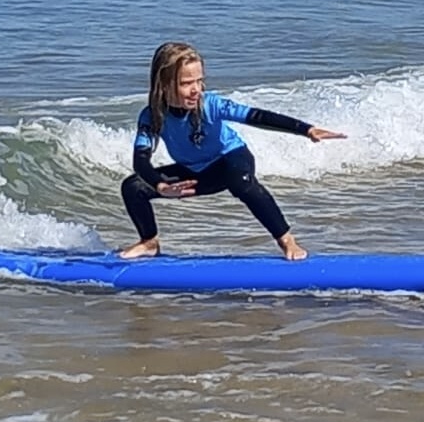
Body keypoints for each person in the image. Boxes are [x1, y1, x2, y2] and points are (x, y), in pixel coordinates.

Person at [119, 42, 346, 261]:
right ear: (164, 84)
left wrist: (306, 129)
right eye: (186, 83)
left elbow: (257, 116)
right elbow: (141, 160)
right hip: (197, 172)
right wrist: (161, 185)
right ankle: (149, 243)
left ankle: (287, 240)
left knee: (241, 180)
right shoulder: (152, 116)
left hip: (231, 160)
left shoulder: (211, 105)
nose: (196, 89)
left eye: (199, 81)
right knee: (132, 187)